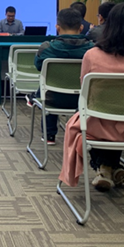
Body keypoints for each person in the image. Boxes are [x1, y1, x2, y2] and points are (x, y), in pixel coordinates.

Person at [60, 3, 124, 192]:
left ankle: (104, 167)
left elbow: (86, 92)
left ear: (109, 25)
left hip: (101, 125)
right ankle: (113, 167)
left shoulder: (92, 56)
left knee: (87, 115)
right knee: (112, 114)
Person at [33, 8, 94, 145]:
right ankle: (82, 133)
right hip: (84, 101)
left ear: (57, 27)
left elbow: (38, 66)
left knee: (48, 88)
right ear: (81, 27)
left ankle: (49, 135)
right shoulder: (92, 50)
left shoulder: (46, 48)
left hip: (53, 100)